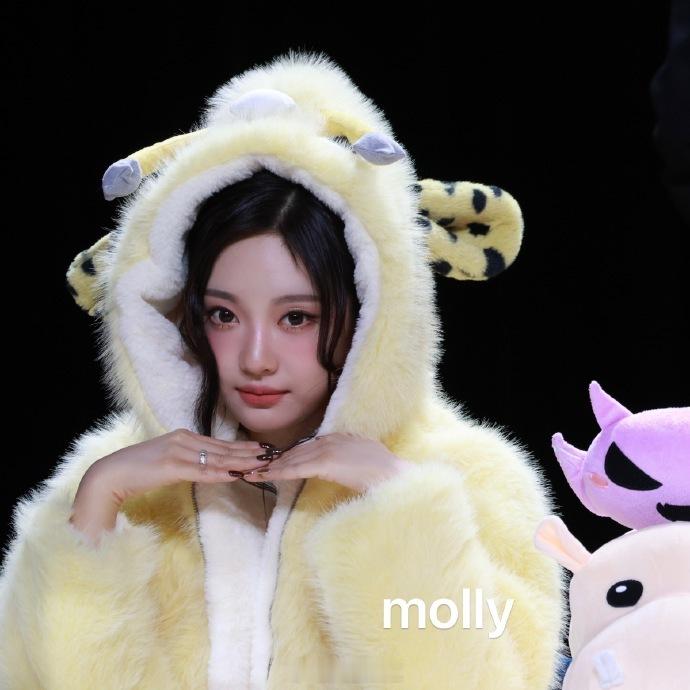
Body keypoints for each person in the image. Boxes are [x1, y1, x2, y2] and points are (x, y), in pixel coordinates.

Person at [0, 50, 567, 689]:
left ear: (374, 309)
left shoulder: (472, 482)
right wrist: (95, 509)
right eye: (223, 315)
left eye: (297, 317)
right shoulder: (121, 484)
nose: (255, 357)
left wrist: (399, 504)